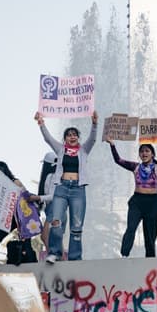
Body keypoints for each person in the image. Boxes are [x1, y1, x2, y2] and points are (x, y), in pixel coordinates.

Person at [35, 110, 99, 263]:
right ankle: (55, 253)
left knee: (76, 226)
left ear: (78, 138)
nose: (72, 137)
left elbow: (93, 139)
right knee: (56, 221)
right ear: (64, 139)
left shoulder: (83, 150)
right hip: (61, 188)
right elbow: (48, 139)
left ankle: (75, 257)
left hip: (78, 188)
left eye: (75, 134)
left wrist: (95, 124)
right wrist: (41, 123)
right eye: (69, 135)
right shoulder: (61, 149)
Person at [107, 139, 157, 257]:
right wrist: (112, 145)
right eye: (141, 151)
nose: (144, 154)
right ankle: (124, 255)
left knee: (150, 234)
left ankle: (150, 259)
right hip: (137, 201)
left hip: (152, 203)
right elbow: (118, 160)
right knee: (131, 228)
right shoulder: (136, 167)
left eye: (147, 151)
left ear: (152, 154)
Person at [0, 162, 30, 265]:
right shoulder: (0, 189)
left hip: (21, 216)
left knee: (26, 241)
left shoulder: (15, 182)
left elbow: (25, 197)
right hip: (8, 218)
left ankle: (29, 260)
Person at [37, 152, 66, 257]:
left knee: (45, 236)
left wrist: (38, 198)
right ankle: (61, 261)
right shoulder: (55, 176)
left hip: (55, 208)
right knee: (55, 239)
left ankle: (56, 259)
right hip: (54, 209)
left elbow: (53, 196)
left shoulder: (53, 176)